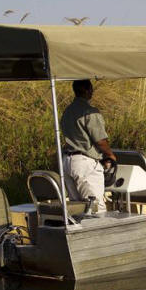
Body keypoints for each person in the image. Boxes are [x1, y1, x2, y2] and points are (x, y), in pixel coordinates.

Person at [60, 79, 116, 213]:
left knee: (76, 206)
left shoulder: (67, 111)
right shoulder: (90, 112)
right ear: (86, 90)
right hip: (84, 163)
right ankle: (100, 233)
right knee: (95, 205)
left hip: (67, 162)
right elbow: (100, 140)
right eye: (91, 89)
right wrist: (110, 155)